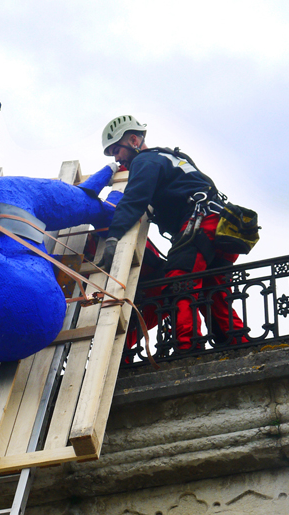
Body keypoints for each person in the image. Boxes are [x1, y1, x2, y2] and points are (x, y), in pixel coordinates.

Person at [99, 115, 246, 351]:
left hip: (201, 222)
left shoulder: (144, 161)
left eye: (117, 150)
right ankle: (237, 342)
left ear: (134, 140)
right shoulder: (169, 156)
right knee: (212, 285)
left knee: (179, 282)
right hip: (220, 224)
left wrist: (114, 236)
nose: (117, 158)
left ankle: (188, 349)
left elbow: (135, 199)